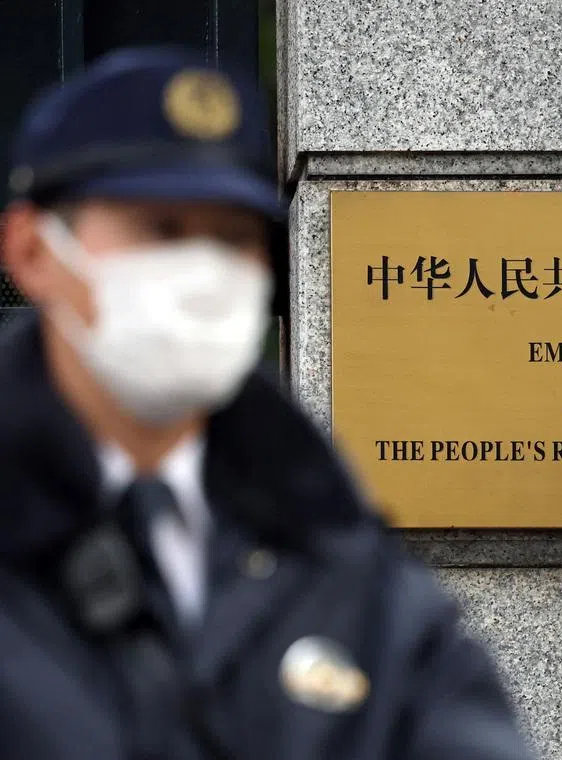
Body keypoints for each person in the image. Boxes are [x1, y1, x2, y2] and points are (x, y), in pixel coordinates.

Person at [0, 46, 534, 760]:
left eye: (235, 239)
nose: (203, 272)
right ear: (33, 251)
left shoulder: (355, 575)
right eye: (161, 229)